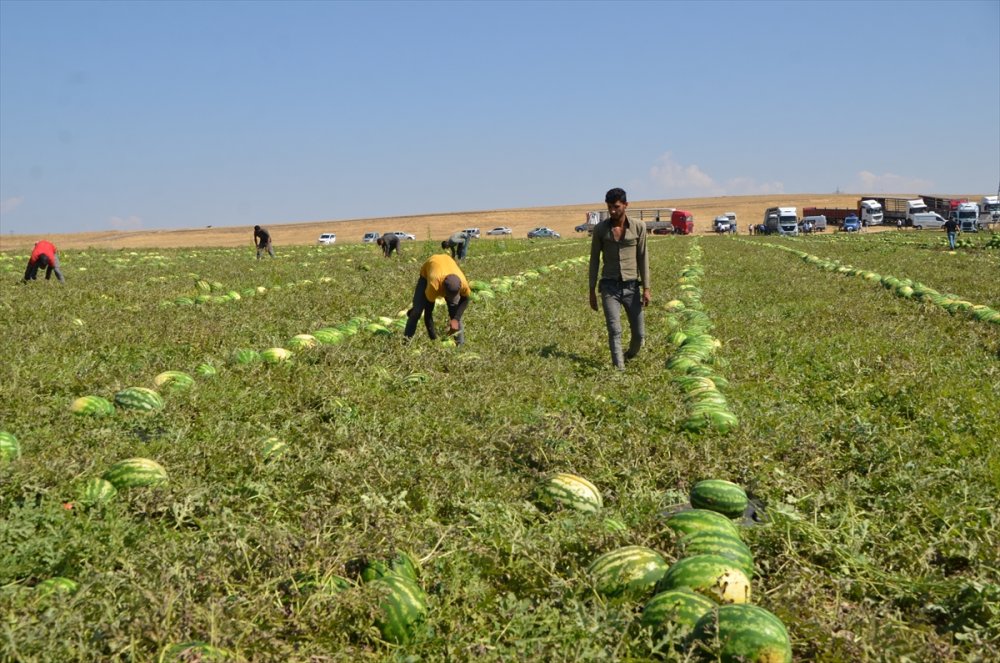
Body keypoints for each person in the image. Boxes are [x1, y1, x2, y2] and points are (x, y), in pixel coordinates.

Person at [589, 187, 651, 370]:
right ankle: (619, 370)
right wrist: (591, 290)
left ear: (625, 205)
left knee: (639, 335)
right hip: (609, 287)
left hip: (632, 287)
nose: (613, 211)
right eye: (610, 207)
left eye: (616, 207)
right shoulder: (600, 229)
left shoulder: (639, 227)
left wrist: (646, 288)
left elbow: (643, 257)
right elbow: (594, 260)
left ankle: (630, 354)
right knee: (615, 330)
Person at [404, 254, 471, 345]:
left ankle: (460, 346)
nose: (450, 298)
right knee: (417, 311)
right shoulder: (434, 286)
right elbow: (428, 315)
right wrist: (434, 340)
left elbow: (465, 300)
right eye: (449, 296)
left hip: (447, 261)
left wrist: (456, 319)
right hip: (429, 269)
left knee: (455, 313)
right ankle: (405, 342)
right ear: (443, 289)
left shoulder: (463, 283)